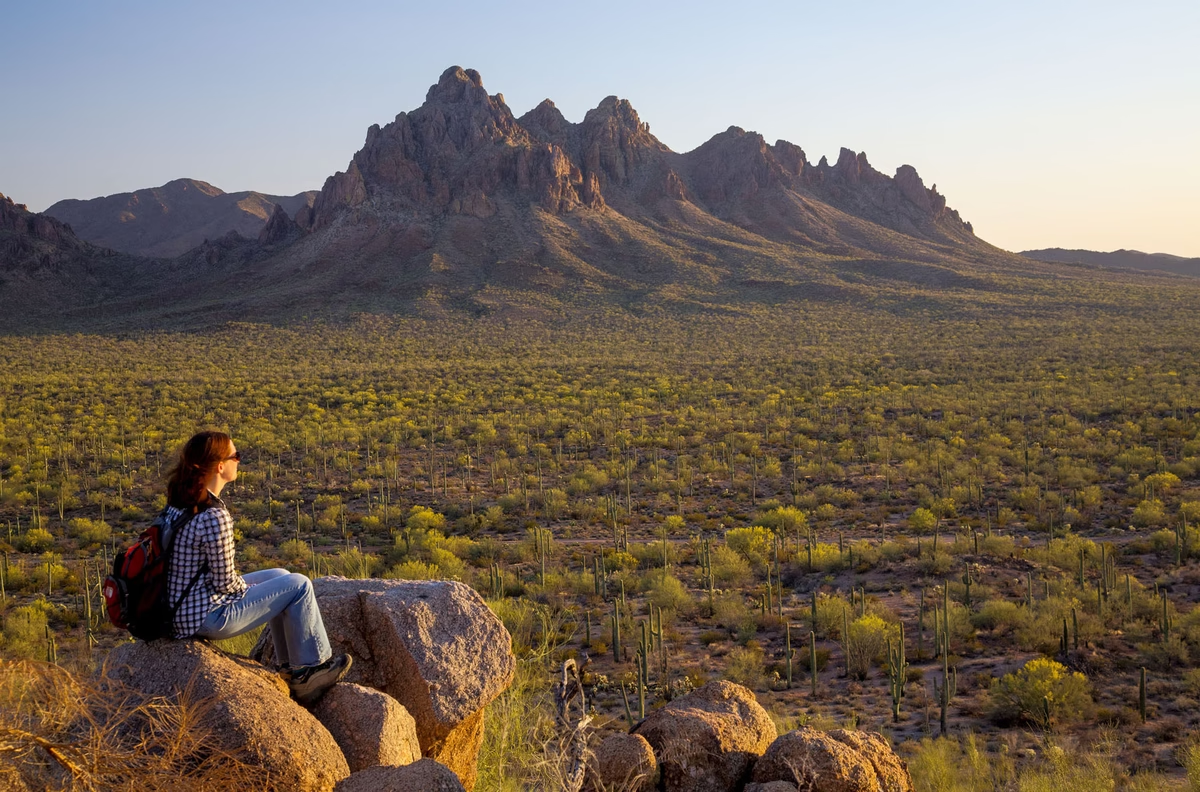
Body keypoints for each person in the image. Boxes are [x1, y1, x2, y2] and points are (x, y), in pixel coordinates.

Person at [164, 430, 350, 705]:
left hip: (183, 608)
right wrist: (248, 588)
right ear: (219, 466)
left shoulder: (179, 504)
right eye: (235, 456)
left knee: (280, 576)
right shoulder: (214, 515)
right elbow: (226, 584)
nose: (239, 460)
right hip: (207, 616)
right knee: (298, 585)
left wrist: (255, 588)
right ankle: (312, 670)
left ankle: (289, 668)